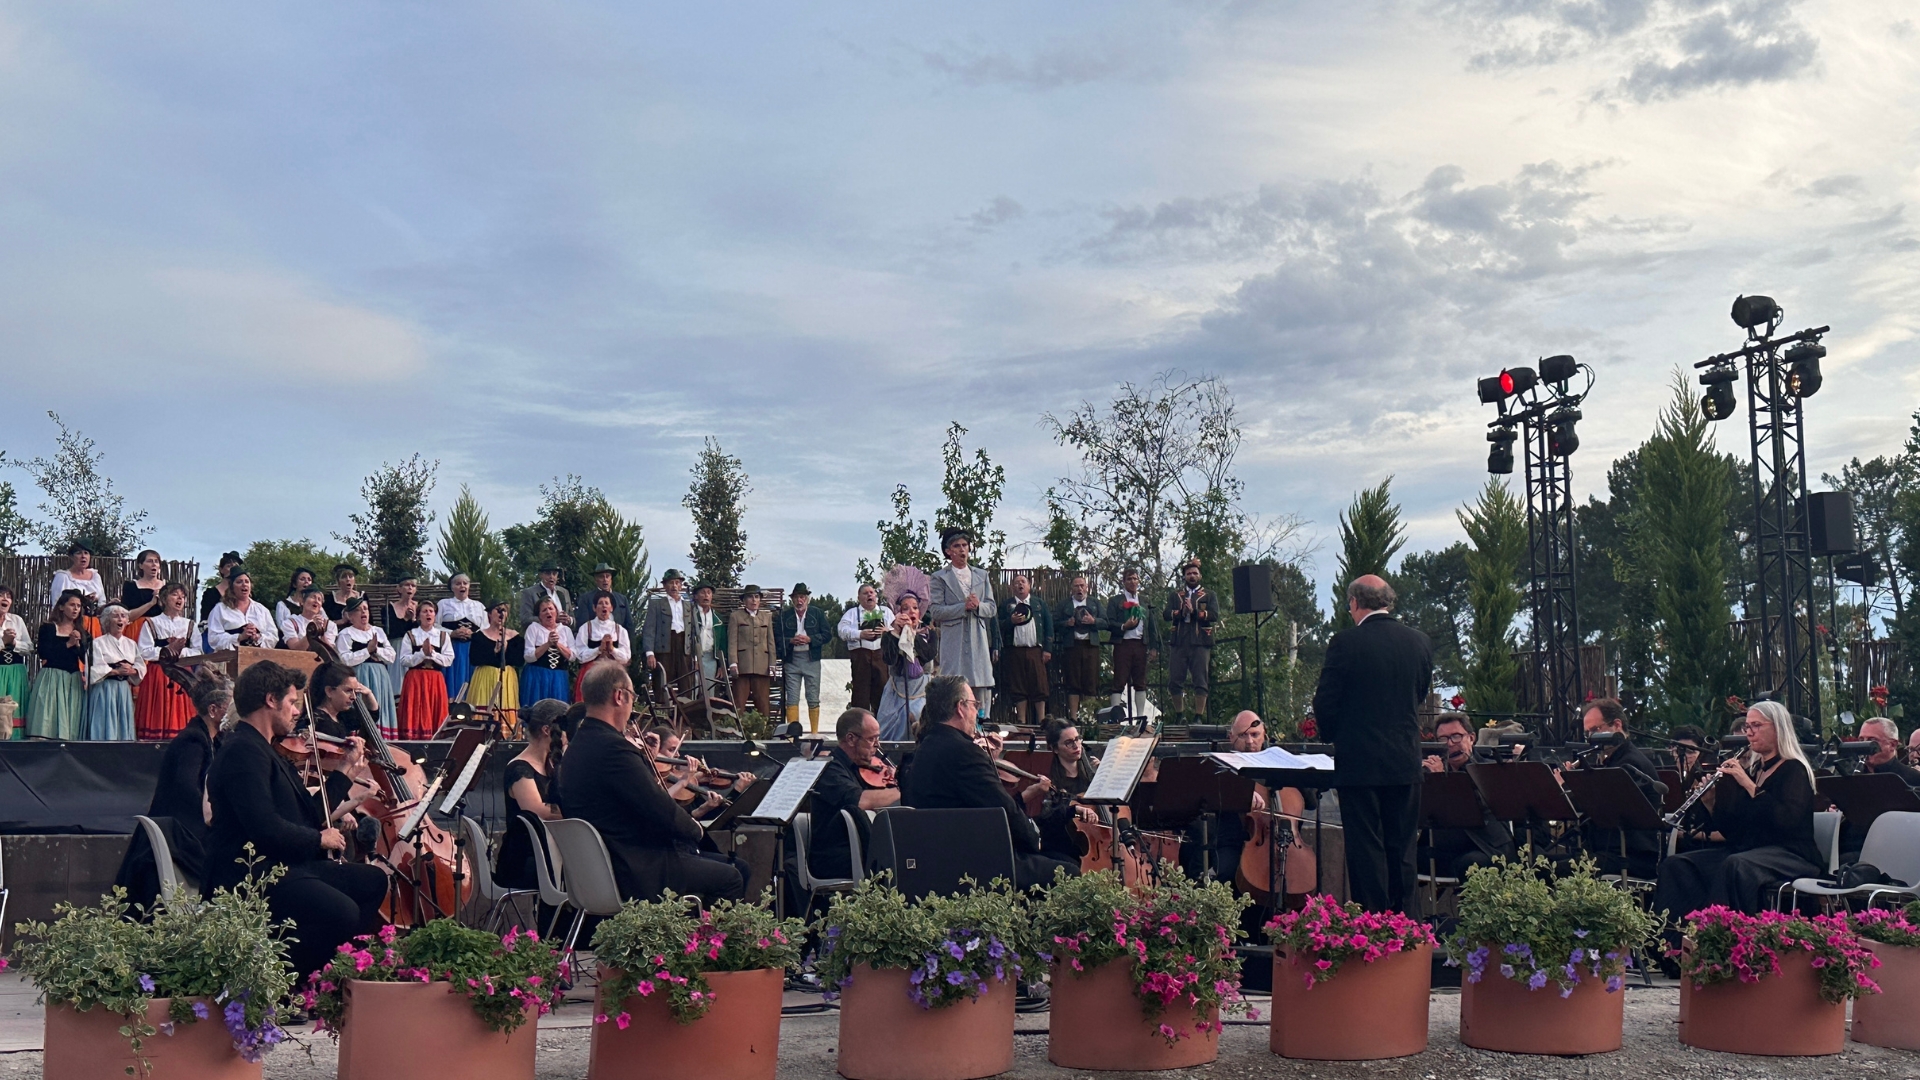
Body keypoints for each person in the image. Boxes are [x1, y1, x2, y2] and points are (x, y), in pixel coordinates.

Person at [203, 661, 387, 979]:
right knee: (340, 911)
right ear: (271, 701)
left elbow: (307, 815)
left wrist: (343, 772)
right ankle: (294, 984)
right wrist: (319, 839)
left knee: (372, 881)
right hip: (251, 873)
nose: (297, 710)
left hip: (283, 864)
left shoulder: (266, 750)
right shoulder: (242, 753)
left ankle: (335, 976)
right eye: (291, 701)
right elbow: (265, 828)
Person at [559, 663, 746, 903]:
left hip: (599, 871)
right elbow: (658, 807)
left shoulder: (575, 750)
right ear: (619, 696)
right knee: (730, 878)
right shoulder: (615, 750)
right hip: (636, 868)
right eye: (632, 697)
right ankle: (699, 941)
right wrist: (695, 830)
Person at [1311, 575, 1432, 914]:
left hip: (1359, 763)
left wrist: (1335, 735)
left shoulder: (1345, 643)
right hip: (1406, 761)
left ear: (1354, 603)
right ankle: (1408, 926)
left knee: (1366, 850)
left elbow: (1326, 701)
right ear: (1387, 601)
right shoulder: (1419, 642)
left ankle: (1374, 926)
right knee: (1404, 850)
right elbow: (1418, 694)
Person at [901, 675, 1076, 890]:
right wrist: (1034, 838)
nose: (977, 712)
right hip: (978, 864)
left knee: (1057, 859)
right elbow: (1002, 808)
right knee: (1070, 871)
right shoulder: (963, 752)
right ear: (960, 707)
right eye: (974, 705)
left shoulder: (925, 748)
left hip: (944, 859)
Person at [1652, 700, 1823, 918]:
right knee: (1678, 865)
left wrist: (1748, 784)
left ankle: (1720, 934)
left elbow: (1786, 820)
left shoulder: (1794, 769)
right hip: (1752, 850)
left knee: (1735, 865)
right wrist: (1710, 801)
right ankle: (1674, 940)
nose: (1750, 733)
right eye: (1747, 727)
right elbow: (1733, 830)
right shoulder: (1754, 770)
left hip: (1791, 853)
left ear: (1778, 727)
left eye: (1757, 726)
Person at [1561, 698, 1665, 878]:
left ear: (1617, 725)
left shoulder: (1630, 763)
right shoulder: (1611, 760)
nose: (1592, 739)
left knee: (1552, 870)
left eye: (1595, 730)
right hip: (1610, 851)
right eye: (1588, 734)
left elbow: (1600, 806)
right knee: (1543, 862)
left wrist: (1567, 785)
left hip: (1632, 855)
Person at [147, 669, 230, 882]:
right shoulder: (192, 741)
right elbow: (187, 789)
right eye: (228, 706)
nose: (232, 711)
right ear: (213, 710)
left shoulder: (216, 740)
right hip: (181, 830)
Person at [806, 708, 902, 881]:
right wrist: (902, 790)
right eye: (871, 739)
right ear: (851, 739)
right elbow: (860, 801)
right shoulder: (829, 769)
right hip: (836, 855)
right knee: (900, 861)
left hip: (859, 848)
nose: (877, 745)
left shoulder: (860, 767)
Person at [1419, 713, 1516, 880]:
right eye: (1443, 739)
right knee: (1395, 858)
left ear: (1471, 738)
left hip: (1485, 847)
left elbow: (1476, 805)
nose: (1450, 744)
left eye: (1456, 737)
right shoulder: (1432, 770)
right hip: (1444, 849)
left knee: (1470, 864)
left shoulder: (1489, 770)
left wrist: (1441, 781)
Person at [494, 700, 567, 890]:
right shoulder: (519, 768)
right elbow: (538, 811)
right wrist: (580, 809)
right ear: (546, 730)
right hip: (525, 858)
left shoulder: (555, 764)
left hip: (550, 851)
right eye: (565, 727)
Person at [929, 529, 996, 720]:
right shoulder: (939, 577)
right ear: (948, 551)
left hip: (977, 639)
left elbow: (991, 608)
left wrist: (978, 606)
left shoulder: (981, 575)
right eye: (956, 546)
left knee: (980, 685)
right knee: (953, 687)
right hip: (954, 640)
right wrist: (962, 607)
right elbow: (936, 611)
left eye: (964, 545)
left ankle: (982, 725)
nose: (962, 550)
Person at [878, 567, 938, 742]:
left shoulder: (928, 634)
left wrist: (912, 634)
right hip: (897, 691)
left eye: (915, 608)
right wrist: (897, 633)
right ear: (898, 612)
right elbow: (889, 659)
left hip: (922, 690)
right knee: (890, 728)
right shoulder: (890, 636)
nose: (911, 611)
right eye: (906, 608)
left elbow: (928, 655)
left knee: (922, 724)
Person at [134, 583, 200, 740]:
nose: (180, 599)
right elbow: (144, 651)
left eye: (183, 597)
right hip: (158, 673)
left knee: (180, 714)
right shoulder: (152, 622)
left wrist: (179, 652)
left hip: (183, 674)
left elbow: (198, 651)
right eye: (175, 595)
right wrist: (167, 651)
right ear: (163, 599)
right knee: (157, 711)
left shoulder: (189, 625)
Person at [26, 590, 88, 739]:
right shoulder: (48, 628)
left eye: (78, 606)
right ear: (61, 607)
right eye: (72, 605)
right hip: (52, 677)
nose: (75, 609)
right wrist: (68, 644)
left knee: (69, 720)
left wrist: (79, 644)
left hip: (72, 679)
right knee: (48, 716)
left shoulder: (81, 631)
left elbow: (87, 659)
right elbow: (44, 653)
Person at [1163, 558, 1217, 723]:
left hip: (1200, 641)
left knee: (1200, 679)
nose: (1192, 576)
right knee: (1175, 679)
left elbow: (1214, 615)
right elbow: (1166, 614)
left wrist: (1194, 612)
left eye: (1194, 573)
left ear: (1199, 576)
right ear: (1184, 576)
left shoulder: (1209, 595)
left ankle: (1198, 716)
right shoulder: (1175, 595)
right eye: (1188, 573)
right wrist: (1180, 612)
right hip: (1179, 641)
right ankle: (1180, 714)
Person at [335, 598, 398, 740]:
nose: (363, 611)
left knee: (379, 706)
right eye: (358, 610)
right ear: (350, 616)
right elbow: (344, 659)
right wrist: (367, 651)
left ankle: (383, 741)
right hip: (360, 675)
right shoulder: (346, 634)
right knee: (362, 707)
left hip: (381, 676)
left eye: (365, 608)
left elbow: (392, 656)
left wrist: (376, 651)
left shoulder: (378, 631)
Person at [995, 573, 1052, 726]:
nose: (1020, 585)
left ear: (1029, 585)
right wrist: (1010, 621)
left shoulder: (1039, 603)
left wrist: (1047, 649)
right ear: (1011, 587)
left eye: (1023, 582)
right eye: (1016, 582)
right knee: (1017, 684)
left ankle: (1041, 720)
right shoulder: (1007, 605)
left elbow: (1048, 627)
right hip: (1015, 651)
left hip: (1036, 650)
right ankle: (1021, 720)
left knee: (1039, 684)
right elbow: (997, 626)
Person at [776, 583, 831, 731]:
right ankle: (793, 733)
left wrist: (810, 639)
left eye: (802, 597)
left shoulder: (817, 613)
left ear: (807, 599)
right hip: (792, 659)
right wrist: (790, 641)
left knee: (813, 696)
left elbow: (827, 635)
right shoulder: (784, 616)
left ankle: (814, 732)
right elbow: (776, 638)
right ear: (792, 599)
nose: (799, 601)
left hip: (811, 658)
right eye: (796, 597)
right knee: (792, 697)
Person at [1104, 568, 1158, 715]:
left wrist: (1153, 647)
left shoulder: (1145, 601)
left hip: (1141, 644)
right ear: (1123, 582)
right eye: (1129, 579)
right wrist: (1123, 626)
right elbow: (1109, 622)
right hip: (1123, 644)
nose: (1132, 582)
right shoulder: (1116, 601)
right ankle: (1115, 716)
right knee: (1119, 680)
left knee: (1140, 681)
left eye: (1135, 578)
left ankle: (1140, 716)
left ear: (1139, 581)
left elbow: (1151, 626)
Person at [397, 602, 454, 740]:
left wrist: (432, 654)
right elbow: (404, 659)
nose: (428, 614)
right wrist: (422, 653)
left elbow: (449, 659)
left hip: (435, 678)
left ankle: (436, 738)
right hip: (415, 678)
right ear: (418, 616)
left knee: (435, 708)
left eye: (431, 611)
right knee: (416, 708)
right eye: (424, 611)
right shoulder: (411, 635)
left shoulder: (443, 636)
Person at [85, 605, 143, 740]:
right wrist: (115, 671)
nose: (120, 619)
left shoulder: (131, 644)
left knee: (122, 722)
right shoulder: (98, 643)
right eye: (115, 616)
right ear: (107, 620)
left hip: (123, 689)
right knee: (104, 722)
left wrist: (132, 670)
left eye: (123, 616)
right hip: (105, 688)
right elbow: (93, 668)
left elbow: (140, 664)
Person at [1053, 574, 1105, 721]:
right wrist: (1066, 624)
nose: (1079, 589)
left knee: (1091, 682)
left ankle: (1089, 717)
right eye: (1076, 586)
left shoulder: (1094, 603)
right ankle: (1074, 718)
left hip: (1090, 646)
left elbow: (1106, 622)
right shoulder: (1065, 605)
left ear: (1087, 588)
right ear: (1071, 589)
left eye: (1082, 585)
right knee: (1072, 682)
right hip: (1072, 646)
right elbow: (1054, 623)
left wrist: (1093, 621)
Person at [642, 569, 695, 705]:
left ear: (681, 586)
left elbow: (694, 631)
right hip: (664, 646)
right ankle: (662, 713)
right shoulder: (657, 604)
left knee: (686, 682)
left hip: (683, 646)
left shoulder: (688, 605)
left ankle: (685, 715)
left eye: (677, 583)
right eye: (671, 583)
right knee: (661, 681)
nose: (674, 586)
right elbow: (649, 629)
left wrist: (695, 655)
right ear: (665, 586)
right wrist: (650, 653)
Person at [467, 601, 521, 731]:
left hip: (507, 676)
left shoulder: (515, 637)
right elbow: (474, 659)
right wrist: (494, 652)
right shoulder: (479, 636)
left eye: (504, 610)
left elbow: (519, 661)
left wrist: (506, 650)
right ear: (489, 614)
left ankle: (506, 733)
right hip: (485, 676)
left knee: (505, 705)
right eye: (498, 610)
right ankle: (480, 733)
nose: (501, 613)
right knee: (484, 706)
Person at [838, 584, 893, 712]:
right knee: (860, 693)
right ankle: (860, 725)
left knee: (882, 692)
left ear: (876, 597)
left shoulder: (886, 612)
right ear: (859, 598)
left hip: (881, 657)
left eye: (871, 592)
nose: (869, 595)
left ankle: (882, 726)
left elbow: (897, 629)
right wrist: (859, 634)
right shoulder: (851, 614)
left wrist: (886, 631)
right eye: (865, 593)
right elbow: (841, 630)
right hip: (861, 658)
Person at [437, 574, 488, 701]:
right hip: (452, 647)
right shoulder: (443, 604)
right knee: (453, 680)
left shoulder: (479, 606)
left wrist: (474, 634)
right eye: (458, 583)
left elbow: (486, 628)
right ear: (452, 587)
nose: (462, 586)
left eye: (465, 583)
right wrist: (451, 633)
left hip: (473, 649)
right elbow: (434, 626)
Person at [574, 591, 633, 698]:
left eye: (607, 603)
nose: (604, 606)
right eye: (600, 603)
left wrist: (612, 649)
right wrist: (599, 649)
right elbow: (580, 656)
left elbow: (626, 657)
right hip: (591, 674)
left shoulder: (620, 630)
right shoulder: (586, 628)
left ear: (611, 608)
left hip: (614, 675)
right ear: (594, 608)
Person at [728, 585, 775, 719]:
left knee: (763, 704)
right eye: (750, 597)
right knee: (739, 704)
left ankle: (764, 733)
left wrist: (772, 663)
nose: (754, 600)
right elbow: (732, 641)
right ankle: (737, 733)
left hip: (762, 665)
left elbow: (771, 641)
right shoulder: (736, 616)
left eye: (756, 597)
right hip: (742, 666)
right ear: (744, 600)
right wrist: (733, 663)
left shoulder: (766, 617)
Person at [204, 569, 279, 651]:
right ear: (232, 587)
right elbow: (213, 638)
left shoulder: (261, 610)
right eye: (239, 582)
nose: (244, 584)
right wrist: (239, 637)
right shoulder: (220, 609)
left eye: (247, 581)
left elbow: (273, 636)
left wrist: (258, 637)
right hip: (229, 660)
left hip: (258, 659)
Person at [521, 599, 575, 707]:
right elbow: (528, 656)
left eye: (551, 608)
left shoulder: (565, 630)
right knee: (536, 710)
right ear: (539, 615)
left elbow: (573, 656)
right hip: (537, 676)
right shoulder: (533, 628)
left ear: (556, 612)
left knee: (558, 712)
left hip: (559, 677)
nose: (548, 612)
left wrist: (558, 644)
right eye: (544, 610)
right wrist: (548, 644)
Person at [687, 582, 728, 700]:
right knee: (692, 689)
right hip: (693, 657)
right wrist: (693, 657)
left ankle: (707, 717)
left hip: (711, 658)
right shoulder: (690, 615)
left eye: (709, 593)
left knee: (709, 691)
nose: (706, 595)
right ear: (695, 596)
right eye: (703, 592)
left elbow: (722, 643)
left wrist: (721, 664)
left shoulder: (718, 619)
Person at [0, 587, 31, 737]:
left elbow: (29, 647)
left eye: (8, 596)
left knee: (16, 708)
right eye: (0, 595)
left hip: (16, 672)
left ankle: (15, 744)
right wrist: (3, 642)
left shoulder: (16, 620)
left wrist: (13, 643)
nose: (5, 599)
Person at [119, 549, 167, 638]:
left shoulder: (166, 587)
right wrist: (151, 603)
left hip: (163, 630)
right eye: (149, 561)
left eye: (156, 561)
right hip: (139, 630)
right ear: (141, 565)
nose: (154, 564)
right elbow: (127, 616)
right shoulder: (131, 586)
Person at [1860, 717, 1920, 787]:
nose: (1864, 745)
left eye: (1872, 740)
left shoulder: (1913, 779)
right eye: (1861, 740)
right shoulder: (1850, 774)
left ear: (1892, 745)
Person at [48, 542, 107, 612]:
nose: (83, 556)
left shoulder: (96, 577)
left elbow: (102, 602)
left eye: (86, 553)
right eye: (78, 553)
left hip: (94, 620)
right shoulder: (62, 577)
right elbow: (56, 604)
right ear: (71, 557)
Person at [573, 563, 633, 630]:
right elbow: (582, 625)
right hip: (595, 638)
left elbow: (629, 625)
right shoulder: (586, 599)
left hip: (619, 639)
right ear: (596, 580)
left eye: (607, 576)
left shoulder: (622, 599)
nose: (605, 579)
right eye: (601, 576)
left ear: (611, 579)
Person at [517, 563, 573, 630]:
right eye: (548, 573)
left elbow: (573, 618)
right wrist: (552, 618)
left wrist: (569, 620)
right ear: (541, 575)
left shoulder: (564, 592)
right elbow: (525, 620)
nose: (551, 577)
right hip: (541, 637)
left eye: (554, 573)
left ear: (557, 576)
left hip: (564, 636)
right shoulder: (530, 593)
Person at [280, 589, 336, 653]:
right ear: (302, 602)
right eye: (313, 597)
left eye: (319, 599)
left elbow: (330, 653)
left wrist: (321, 631)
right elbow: (295, 649)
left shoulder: (329, 625)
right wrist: (312, 628)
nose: (316, 601)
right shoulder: (290, 623)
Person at [200, 551, 243, 623]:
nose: (233, 569)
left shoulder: (244, 592)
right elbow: (205, 619)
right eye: (229, 566)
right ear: (221, 569)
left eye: (235, 566)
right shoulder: (210, 594)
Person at [321, 564, 361, 628]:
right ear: (338, 581)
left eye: (350, 576)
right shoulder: (330, 599)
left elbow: (369, 621)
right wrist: (342, 621)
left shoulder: (361, 597)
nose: (348, 579)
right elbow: (324, 623)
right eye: (344, 577)